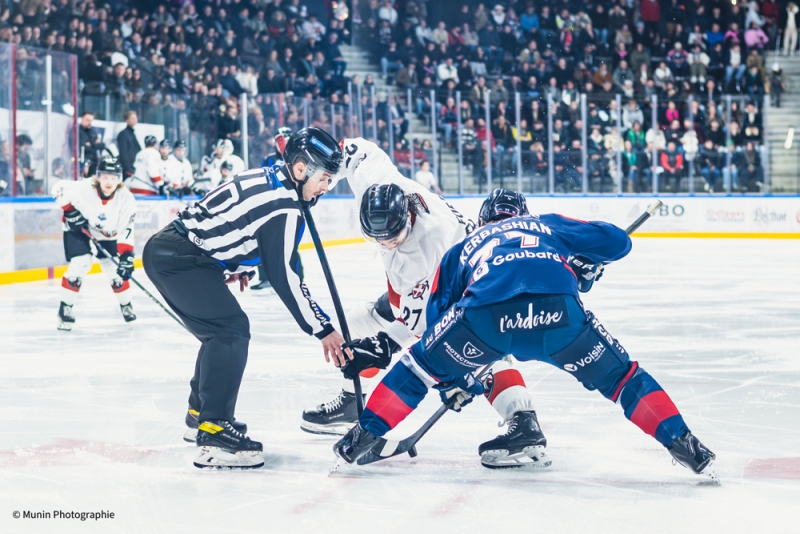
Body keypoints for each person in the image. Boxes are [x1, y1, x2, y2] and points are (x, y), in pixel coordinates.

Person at [333, 189, 717, 483]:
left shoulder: (462, 247)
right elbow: (619, 242)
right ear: (524, 215)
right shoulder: (547, 225)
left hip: (485, 320)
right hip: (559, 317)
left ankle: (361, 438)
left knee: (417, 368)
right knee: (623, 379)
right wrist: (583, 263)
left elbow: (435, 324)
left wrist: (457, 378)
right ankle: (684, 443)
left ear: (482, 221)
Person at [301, 144, 547, 469]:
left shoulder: (429, 249)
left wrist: (392, 349)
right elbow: (355, 152)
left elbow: (422, 329)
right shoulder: (380, 186)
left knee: (477, 351)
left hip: (465, 288)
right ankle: (354, 400)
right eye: (379, 239)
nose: (387, 245)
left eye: (393, 237)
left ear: (408, 218)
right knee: (355, 324)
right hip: (423, 287)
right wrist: (309, 165)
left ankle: (523, 420)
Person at [143, 127, 350, 469]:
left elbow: (235, 220)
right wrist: (322, 328)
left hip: (180, 252)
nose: (326, 187)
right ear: (300, 169)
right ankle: (213, 430)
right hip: (180, 260)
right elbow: (285, 276)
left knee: (218, 332)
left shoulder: (273, 177)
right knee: (229, 330)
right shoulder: (285, 205)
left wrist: (231, 261)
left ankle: (200, 414)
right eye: (324, 178)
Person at [50, 157, 136, 331]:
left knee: (114, 270)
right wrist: (70, 212)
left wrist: (127, 256)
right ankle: (65, 308)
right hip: (79, 229)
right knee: (81, 263)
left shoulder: (126, 199)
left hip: (107, 233)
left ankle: (126, 304)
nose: (109, 182)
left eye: (113, 177)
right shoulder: (84, 188)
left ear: (119, 179)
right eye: (105, 177)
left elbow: (127, 228)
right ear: (97, 177)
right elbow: (58, 189)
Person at [252, 127, 294, 293]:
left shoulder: (296, 158)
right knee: (263, 242)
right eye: (278, 140)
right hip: (269, 205)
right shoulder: (268, 159)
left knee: (289, 242)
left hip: (288, 205)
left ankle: (296, 277)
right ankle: (265, 278)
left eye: (283, 139)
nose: (281, 143)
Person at [78, 111, 105, 177]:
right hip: (82, 164)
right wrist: (95, 145)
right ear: (81, 119)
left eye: (91, 121)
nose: (89, 123)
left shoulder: (92, 132)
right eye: (87, 120)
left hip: (95, 164)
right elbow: (82, 148)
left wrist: (92, 145)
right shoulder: (77, 132)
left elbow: (102, 145)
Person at [117, 111, 141, 182]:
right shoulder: (123, 134)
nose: (135, 120)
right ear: (126, 120)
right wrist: (128, 168)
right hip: (127, 169)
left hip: (134, 167)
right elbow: (123, 153)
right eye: (132, 118)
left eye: (135, 118)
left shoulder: (132, 133)